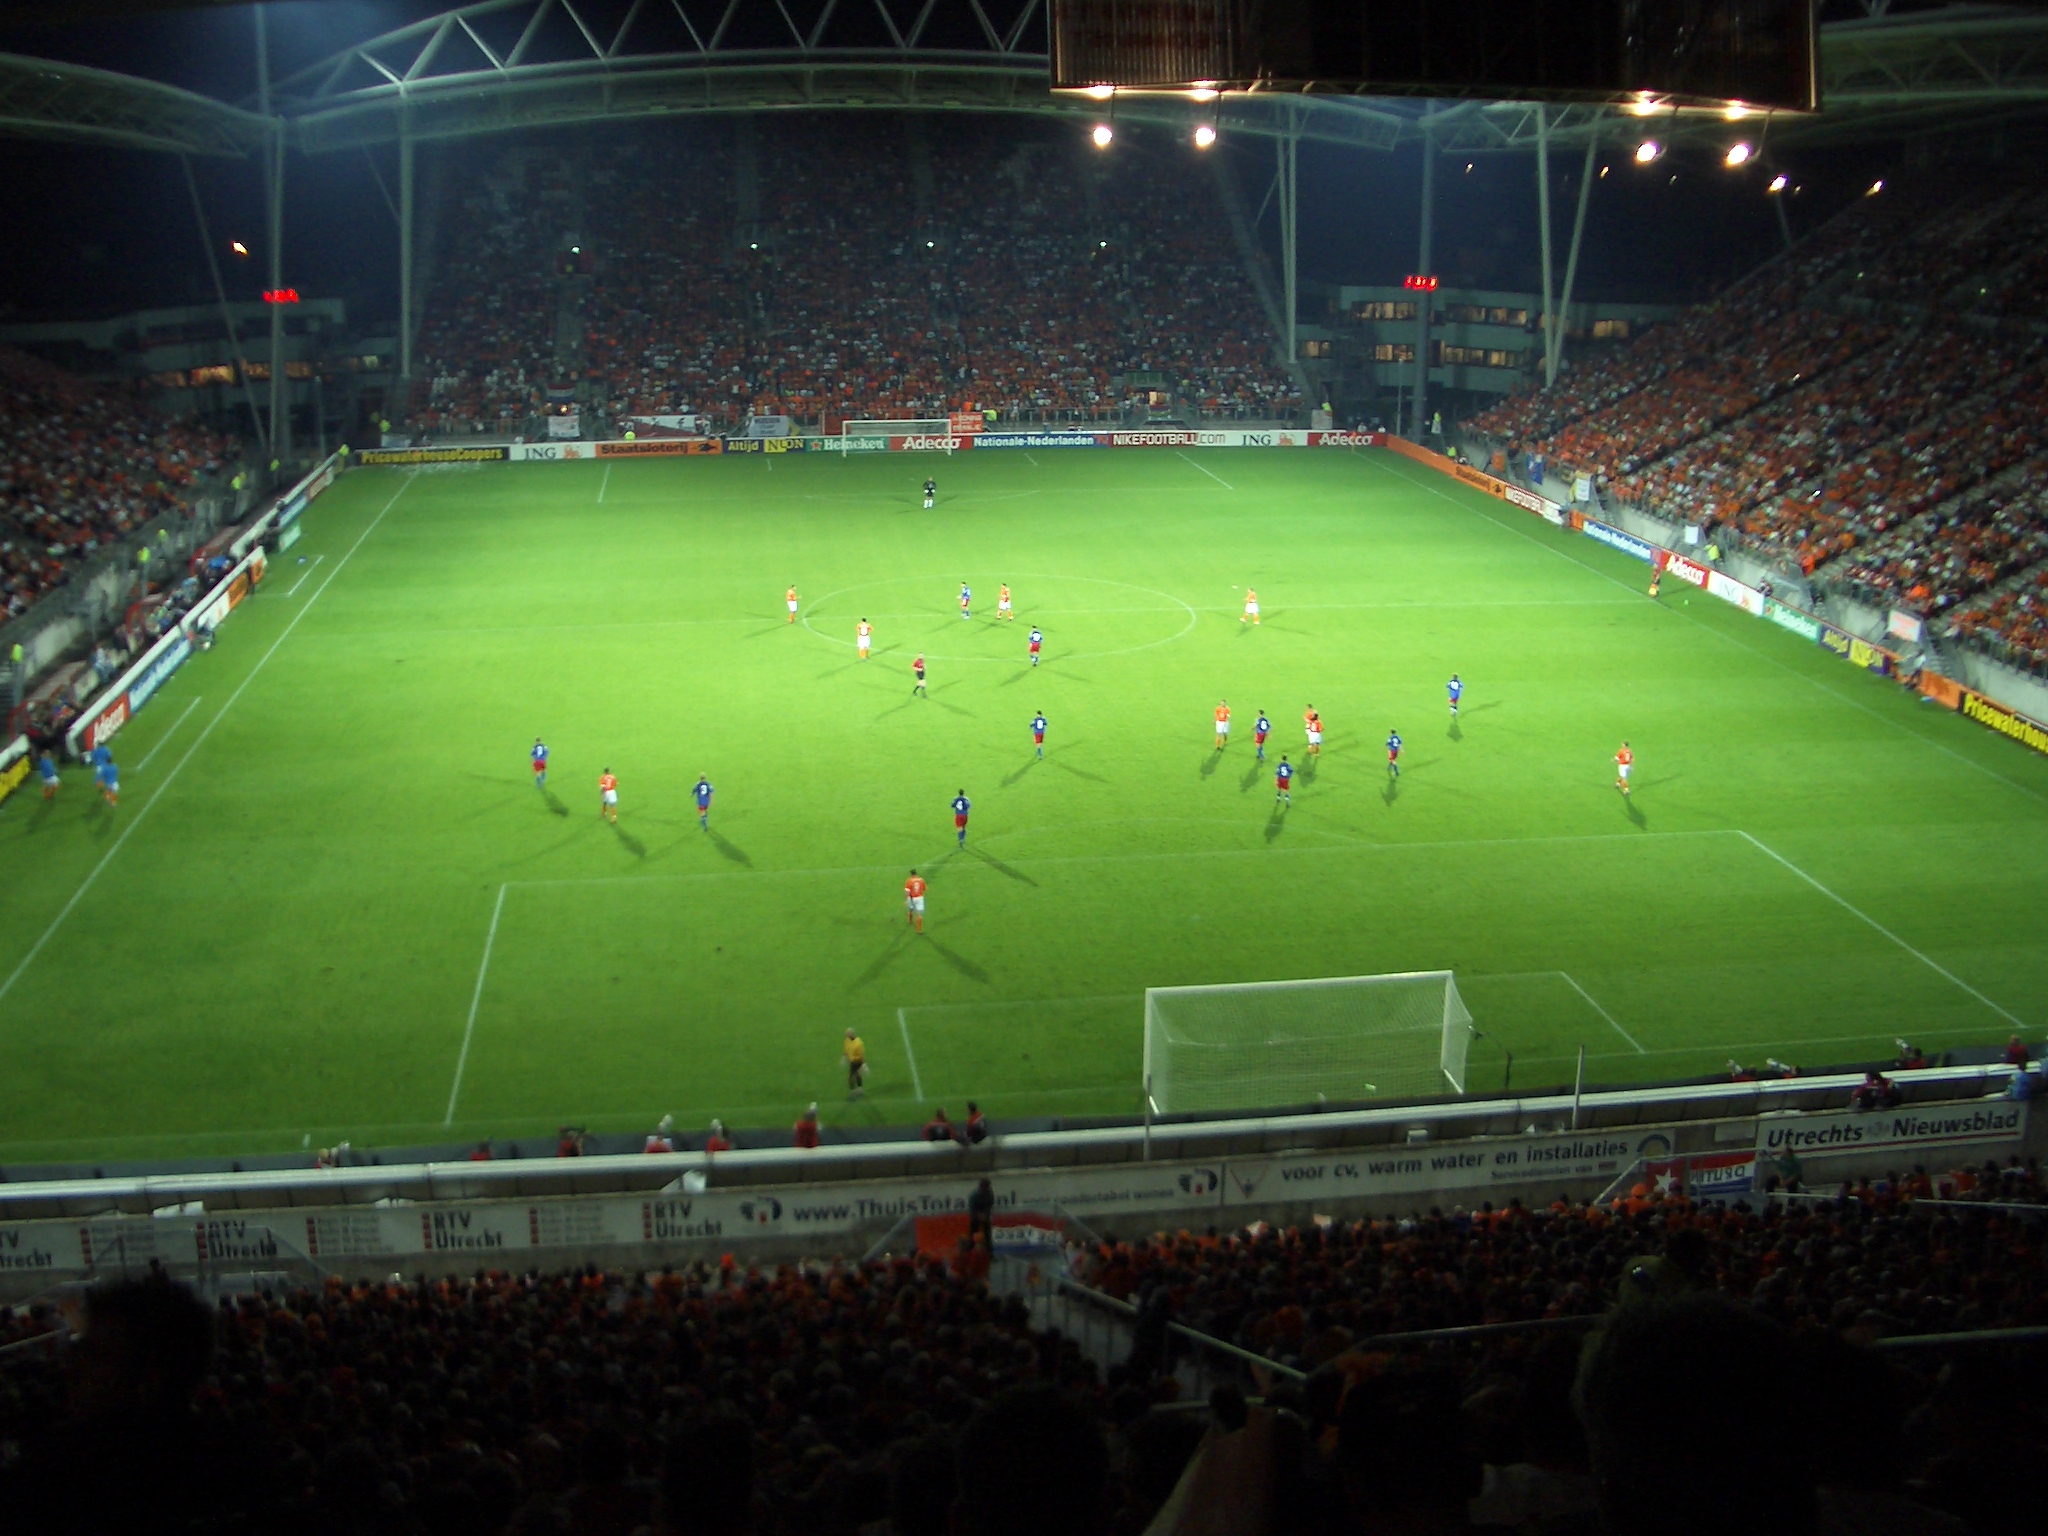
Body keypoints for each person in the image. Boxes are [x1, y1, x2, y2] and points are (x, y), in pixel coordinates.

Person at [967, 1176, 996, 1246]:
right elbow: (972, 1208)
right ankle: (971, 1247)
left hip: (985, 1215)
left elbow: (990, 1205)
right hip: (975, 1215)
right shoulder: (974, 1195)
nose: (985, 1189)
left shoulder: (990, 1193)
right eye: (984, 1187)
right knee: (973, 1232)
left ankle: (988, 1249)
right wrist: (978, 1215)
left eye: (987, 1187)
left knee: (987, 1234)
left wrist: (985, 1214)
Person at [843, 1027, 867, 1097]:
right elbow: (846, 1048)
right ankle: (859, 1088)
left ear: (852, 1034)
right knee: (856, 1075)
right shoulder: (847, 1040)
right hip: (852, 1061)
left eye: (848, 1034)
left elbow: (861, 1054)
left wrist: (863, 1064)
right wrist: (844, 1056)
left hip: (857, 1061)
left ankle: (853, 1090)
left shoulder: (858, 1043)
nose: (847, 1036)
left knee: (853, 1076)